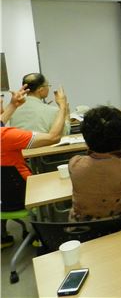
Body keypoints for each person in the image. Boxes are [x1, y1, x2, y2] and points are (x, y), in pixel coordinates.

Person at [1, 85, 69, 248]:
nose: (2, 103)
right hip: (24, 194)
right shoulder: (6, 136)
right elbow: (53, 137)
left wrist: (13, 106)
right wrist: (62, 107)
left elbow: (1, 120)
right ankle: (43, 235)